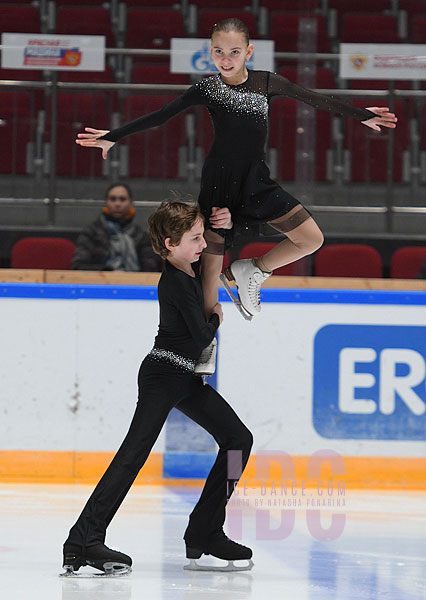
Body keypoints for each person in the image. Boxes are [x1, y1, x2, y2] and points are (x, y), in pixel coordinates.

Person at [75, 18, 397, 319]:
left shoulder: (266, 82)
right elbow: (161, 115)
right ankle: (203, 348)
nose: (225, 59)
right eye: (218, 52)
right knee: (210, 277)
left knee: (311, 238)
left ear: (248, 52)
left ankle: (253, 270)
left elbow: (314, 99)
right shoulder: (208, 89)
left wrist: (361, 114)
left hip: (257, 182)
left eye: (233, 52)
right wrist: (112, 137)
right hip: (220, 186)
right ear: (210, 52)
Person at [61, 200, 254, 576]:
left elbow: (214, 252)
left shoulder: (191, 269)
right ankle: (83, 540)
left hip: (185, 379)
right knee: (133, 455)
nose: (202, 244)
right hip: (163, 375)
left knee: (238, 439)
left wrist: (224, 228)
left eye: (202, 236)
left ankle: (206, 529)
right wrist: (216, 318)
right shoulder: (176, 281)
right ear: (169, 243)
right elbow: (200, 337)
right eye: (194, 238)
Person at [71, 182, 161, 272]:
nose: (117, 204)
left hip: (134, 283)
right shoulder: (91, 232)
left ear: (130, 203)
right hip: (98, 283)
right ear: (106, 202)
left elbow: (152, 269)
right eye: (113, 199)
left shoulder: (141, 236)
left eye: (122, 199)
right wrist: (108, 272)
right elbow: (78, 266)